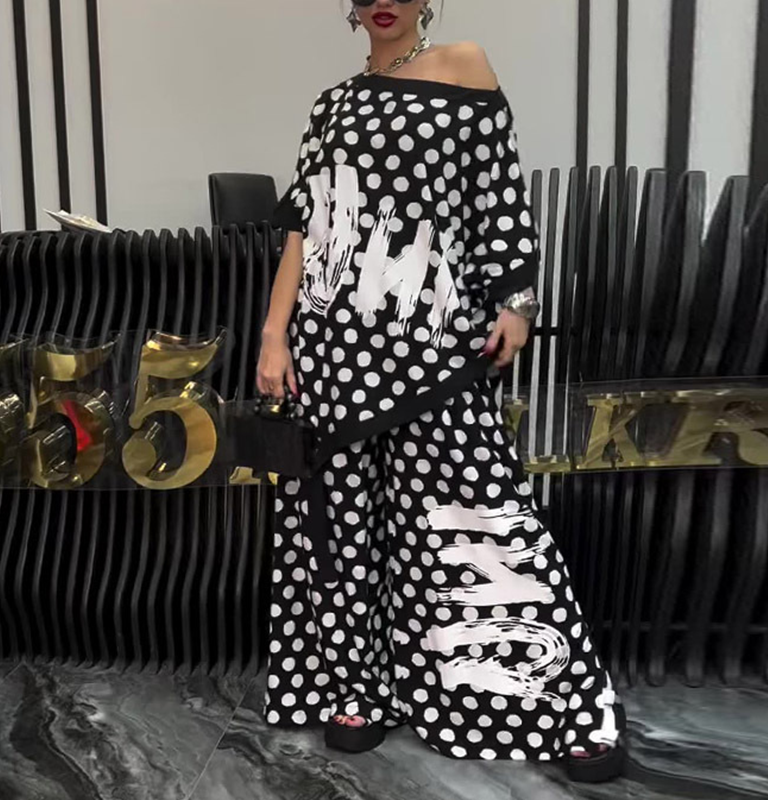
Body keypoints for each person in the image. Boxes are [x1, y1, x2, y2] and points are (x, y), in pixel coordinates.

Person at [256, 0, 625, 783]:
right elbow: (302, 228)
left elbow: (498, 192)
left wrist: (518, 300)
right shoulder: (332, 104)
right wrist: (273, 334)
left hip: (433, 342)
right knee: (335, 519)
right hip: (330, 345)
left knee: (477, 510)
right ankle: (353, 688)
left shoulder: (463, 64)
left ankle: (558, 700)